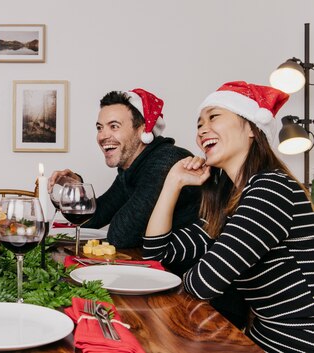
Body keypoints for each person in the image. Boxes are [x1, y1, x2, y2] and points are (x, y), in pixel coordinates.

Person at [143, 81, 314, 352]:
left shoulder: (271, 189)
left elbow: (203, 282)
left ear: (251, 129)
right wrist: (172, 182)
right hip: (259, 336)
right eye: (199, 124)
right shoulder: (227, 200)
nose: (202, 130)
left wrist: (187, 275)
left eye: (214, 117)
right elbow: (157, 254)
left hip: (296, 341)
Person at [49, 88, 199, 248]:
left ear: (143, 129)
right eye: (100, 128)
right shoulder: (132, 167)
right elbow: (93, 219)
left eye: (114, 126)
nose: (102, 136)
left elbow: (120, 237)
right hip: (155, 265)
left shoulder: (166, 161)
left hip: (184, 270)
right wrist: (77, 187)